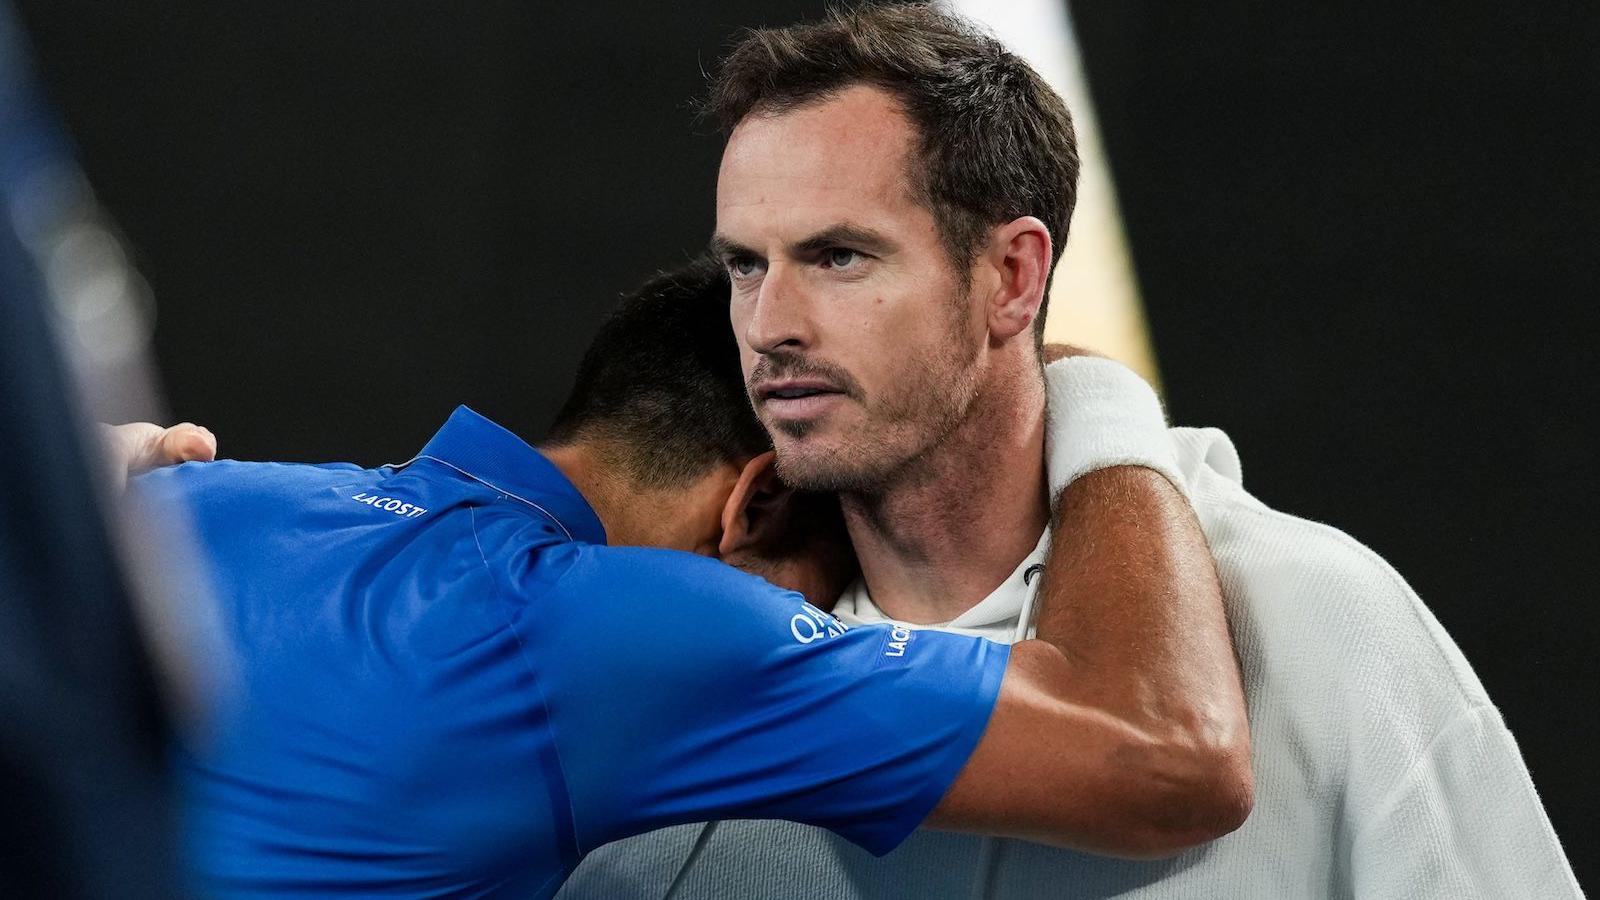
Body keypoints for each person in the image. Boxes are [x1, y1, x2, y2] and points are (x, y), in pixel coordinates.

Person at [558, 5, 1582, 899]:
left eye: (838, 256)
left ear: (1012, 275)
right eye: (745, 265)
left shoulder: (1316, 618)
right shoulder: (704, 683)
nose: (768, 323)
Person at [128, 259, 1250, 899]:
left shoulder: (175, 494)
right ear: (753, 502)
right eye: (827, 593)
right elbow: (1165, 755)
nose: (828, 620)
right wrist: (1092, 390)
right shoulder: (625, 628)